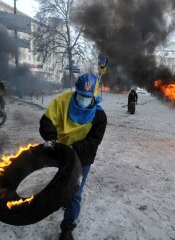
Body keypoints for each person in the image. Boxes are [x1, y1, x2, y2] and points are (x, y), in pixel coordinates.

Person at [39, 72, 107, 240]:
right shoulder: (63, 101)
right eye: (81, 95)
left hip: (83, 157)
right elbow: (46, 120)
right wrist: (51, 138)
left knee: (75, 192)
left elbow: (93, 142)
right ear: (76, 91)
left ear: (94, 95)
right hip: (61, 150)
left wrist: (74, 148)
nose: (83, 99)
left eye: (87, 96)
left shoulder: (99, 116)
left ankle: (68, 227)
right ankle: (64, 200)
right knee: (62, 180)